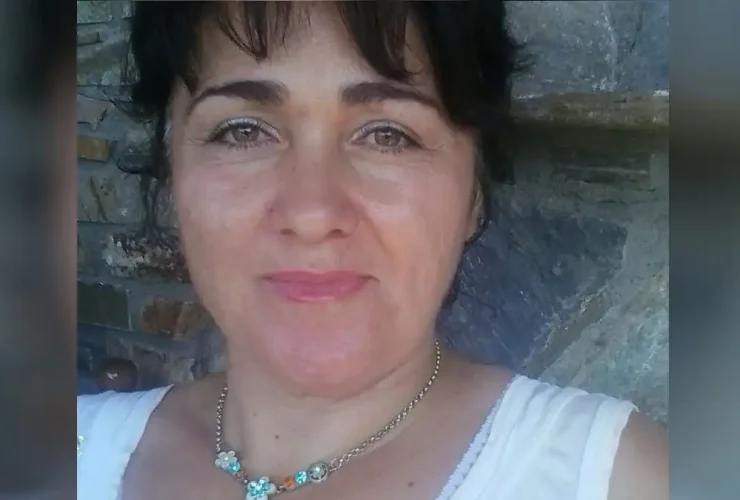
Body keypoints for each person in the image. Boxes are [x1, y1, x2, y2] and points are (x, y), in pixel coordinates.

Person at [77, 2, 668, 499]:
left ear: (474, 192)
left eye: (388, 135)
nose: (311, 213)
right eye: (243, 131)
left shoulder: (615, 479)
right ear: (172, 173)